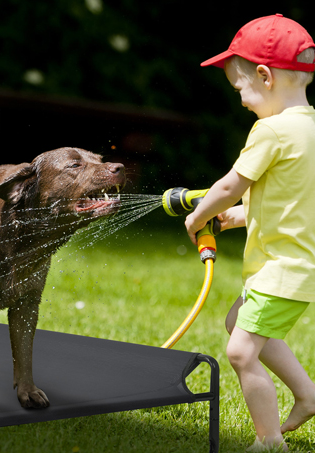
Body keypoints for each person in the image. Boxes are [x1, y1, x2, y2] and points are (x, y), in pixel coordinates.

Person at [185, 14, 315, 452]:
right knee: (236, 321)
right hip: (296, 268)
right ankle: (309, 396)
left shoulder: (271, 130)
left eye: (241, 89)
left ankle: (269, 441)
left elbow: (227, 185)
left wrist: (196, 217)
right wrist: (243, 217)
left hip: (279, 269)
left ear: (264, 75)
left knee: (241, 351)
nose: (241, 100)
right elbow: (292, 198)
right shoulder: (308, 129)